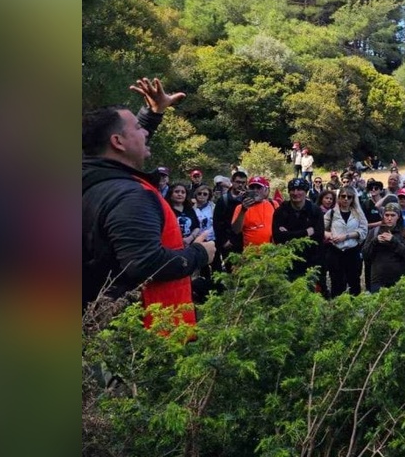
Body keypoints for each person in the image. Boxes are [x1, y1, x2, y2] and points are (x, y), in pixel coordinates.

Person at [82, 78, 215, 313]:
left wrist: (153, 113)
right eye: (136, 127)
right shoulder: (131, 197)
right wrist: (198, 254)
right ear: (117, 142)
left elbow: (121, 152)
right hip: (132, 329)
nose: (144, 132)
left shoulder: (89, 175)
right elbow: (144, 264)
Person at [272, 178, 325, 283]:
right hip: (288, 262)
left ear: (306, 192)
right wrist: (305, 232)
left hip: (311, 261)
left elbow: (318, 237)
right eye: (293, 189)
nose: (296, 193)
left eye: (300, 189)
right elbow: (278, 238)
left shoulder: (315, 211)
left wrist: (289, 234)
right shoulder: (280, 211)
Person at [324, 186, 368, 297]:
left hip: (352, 251)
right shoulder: (331, 213)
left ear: (353, 199)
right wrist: (329, 235)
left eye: (349, 197)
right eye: (343, 196)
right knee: (337, 281)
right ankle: (337, 307)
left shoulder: (358, 213)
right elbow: (320, 228)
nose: (346, 199)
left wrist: (347, 236)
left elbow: (363, 230)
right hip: (335, 251)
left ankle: (355, 306)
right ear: (338, 198)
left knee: (354, 281)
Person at [363, 203, 405, 292]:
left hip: (401, 279)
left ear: (398, 216)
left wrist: (393, 241)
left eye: (393, 215)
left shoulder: (404, 232)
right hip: (378, 280)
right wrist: (375, 241)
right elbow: (365, 254)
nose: (389, 218)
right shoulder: (374, 232)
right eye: (387, 215)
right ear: (383, 216)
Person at [231, 176, 276, 248]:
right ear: (248, 190)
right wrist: (243, 210)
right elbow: (236, 230)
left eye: (258, 187)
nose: (255, 190)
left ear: (265, 189)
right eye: (252, 188)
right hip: (251, 255)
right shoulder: (240, 207)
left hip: (271, 252)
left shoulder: (273, 204)